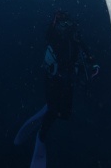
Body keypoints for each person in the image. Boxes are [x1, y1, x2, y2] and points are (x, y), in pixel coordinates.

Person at [14, 10, 99, 168]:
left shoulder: (74, 35)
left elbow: (83, 48)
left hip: (68, 79)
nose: (65, 27)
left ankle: (47, 108)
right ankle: (41, 136)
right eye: (62, 23)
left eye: (67, 23)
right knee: (55, 112)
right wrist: (54, 22)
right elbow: (49, 35)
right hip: (53, 80)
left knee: (65, 114)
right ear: (57, 23)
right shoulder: (54, 35)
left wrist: (92, 62)